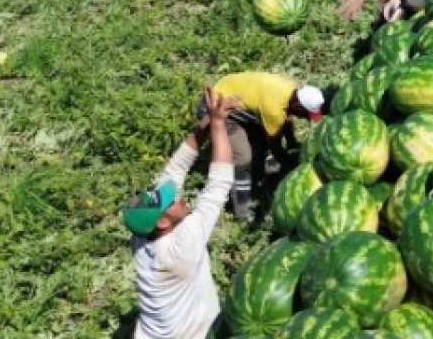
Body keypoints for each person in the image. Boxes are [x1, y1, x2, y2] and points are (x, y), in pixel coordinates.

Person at [124, 87, 237, 339]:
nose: (178, 197)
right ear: (163, 222)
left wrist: (207, 121)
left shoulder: (141, 237)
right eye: (171, 202)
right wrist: (219, 126)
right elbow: (219, 184)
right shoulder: (182, 246)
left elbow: (176, 168)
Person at [202, 72, 325, 220]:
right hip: (216, 107)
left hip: (235, 99)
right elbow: (275, 145)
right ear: (298, 104)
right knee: (243, 156)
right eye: (305, 114)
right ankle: (242, 210)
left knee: (259, 147)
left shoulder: (292, 89)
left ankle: (261, 180)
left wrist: (292, 143)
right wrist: (291, 166)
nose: (305, 118)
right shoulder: (273, 109)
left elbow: (286, 118)